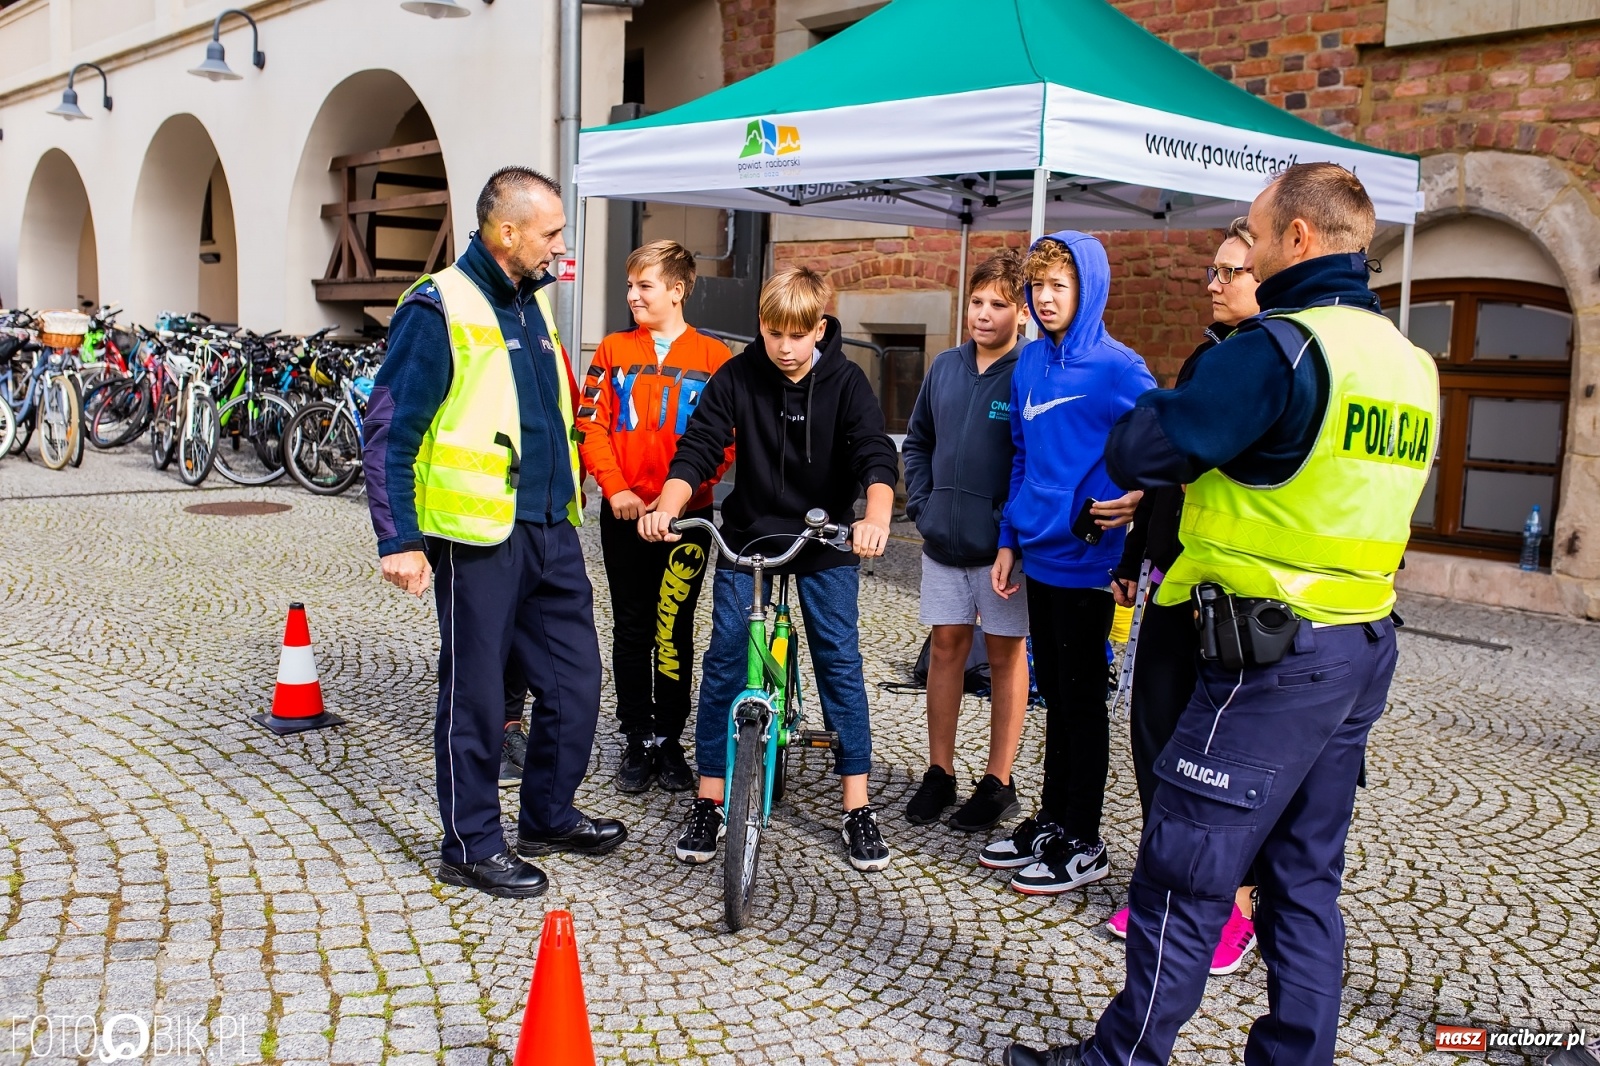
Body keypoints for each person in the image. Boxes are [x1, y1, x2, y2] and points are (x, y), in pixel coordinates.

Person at [1002, 163, 1438, 1066]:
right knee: (1304, 877)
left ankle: (1120, 1057)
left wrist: (1167, 400)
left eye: (1256, 227)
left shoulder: (1280, 348)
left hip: (1268, 651)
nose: (1247, 243)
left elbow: (1141, 444)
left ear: (1299, 240)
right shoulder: (1409, 362)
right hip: (1362, 643)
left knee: (1187, 863)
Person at [363, 166, 627, 900]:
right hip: (475, 537)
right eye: (550, 234)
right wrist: (399, 538)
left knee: (577, 684)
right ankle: (472, 842)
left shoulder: (531, 303)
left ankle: (546, 813)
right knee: (477, 696)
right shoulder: (436, 307)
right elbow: (389, 429)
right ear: (506, 232)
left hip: (550, 527)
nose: (558, 247)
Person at [638, 266, 901, 873]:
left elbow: (873, 455)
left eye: (796, 334)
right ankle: (710, 797)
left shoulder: (846, 381)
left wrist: (876, 519)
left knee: (838, 658)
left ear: (821, 328)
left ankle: (857, 805)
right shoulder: (739, 375)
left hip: (826, 535)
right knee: (726, 656)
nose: (783, 347)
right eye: (772, 331)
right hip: (748, 536)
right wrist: (669, 507)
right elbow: (700, 444)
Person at [1105, 218, 1262, 975]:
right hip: (1173, 576)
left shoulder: (1273, 368)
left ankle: (1232, 906)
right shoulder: (1206, 358)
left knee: (1222, 758)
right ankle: (1162, 882)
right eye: (1214, 269)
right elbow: (1165, 473)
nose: (1214, 282)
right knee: (1156, 741)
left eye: (1231, 271)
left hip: (1240, 597)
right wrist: (1136, 555)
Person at [979, 232, 1153, 895]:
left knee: (1083, 701)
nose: (1046, 299)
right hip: (1039, 555)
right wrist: (1009, 538)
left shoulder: (1118, 368)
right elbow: (1023, 456)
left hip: (1089, 561)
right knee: (1056, 695)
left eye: (1060, 287)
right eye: (1038, 287)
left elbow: (1158, 446)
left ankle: (1084, 836)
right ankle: (1052, 818)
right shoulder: (1028, 365)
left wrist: (1135, 498)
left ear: (1089, 290)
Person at [576, 240, 734, 795]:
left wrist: (684, 496)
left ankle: (670, 738)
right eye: (629, 286)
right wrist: (616, 489)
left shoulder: (715, 359)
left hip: (687, 521)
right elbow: (590, 426)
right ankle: (636, 737)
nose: (633, 296)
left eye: (644, 286)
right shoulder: (614, 350)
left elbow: (727, 443)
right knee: (632, 626)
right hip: (623, 516)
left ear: (677, 289)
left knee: (676, 629)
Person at [900, 249, 1031, 832]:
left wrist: (1009, 526)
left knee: (1005, 656)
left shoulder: (1029, 372)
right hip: (942, 543)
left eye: (998, 304)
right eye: (976, 302)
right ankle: (940, 771)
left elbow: (1034, 461)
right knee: (947, 648)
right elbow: (918, 442)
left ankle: (997, 781)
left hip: (1002, 550)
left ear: (1022, 312)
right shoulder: (946, 368)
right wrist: (924, 507)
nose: (983, 314)